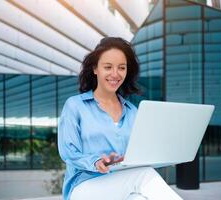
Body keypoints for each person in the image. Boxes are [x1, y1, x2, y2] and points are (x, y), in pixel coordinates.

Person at [58, 37, 182, 200]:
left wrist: (163, 155)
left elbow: (140, 152)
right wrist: (95, 162)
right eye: (108, 67)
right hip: (84, 186)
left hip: (123, 184)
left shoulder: (132, 112)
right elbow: (68, 152)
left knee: (139, 198)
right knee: (143, 175)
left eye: (121, 68)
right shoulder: (75, 106)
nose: (115, 74)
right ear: (95, 69)